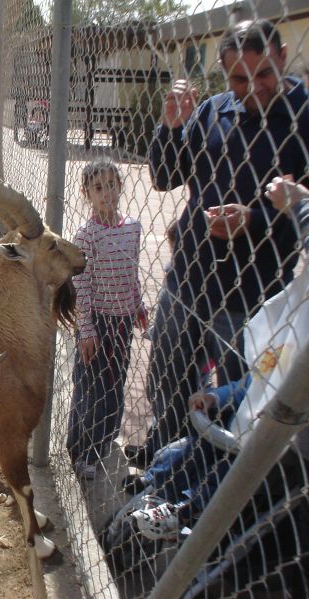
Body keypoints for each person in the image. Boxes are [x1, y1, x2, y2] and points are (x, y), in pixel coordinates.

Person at [131, 19, 309, 468]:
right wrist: (171, 127)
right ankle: (163, 461)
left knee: (235, 392)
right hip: (188, 278)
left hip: (252, 292)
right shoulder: (214, 110)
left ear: (282, 57)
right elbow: (165, 177)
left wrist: (254, 219)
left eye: (264, 73)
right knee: (168, 378)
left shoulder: (303, 118)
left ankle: (212, 480)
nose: (252, 88)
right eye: (238, 79)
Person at [127, 178, 309, 540]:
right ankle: (158, 485)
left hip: (271, 445)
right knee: (186, 448)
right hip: (240, 418)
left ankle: (188, 510)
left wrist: (290, 207)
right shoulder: (285, 344)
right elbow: (250, 382)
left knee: (230, 472)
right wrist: (216, 395)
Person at [67, 159, 148, 479]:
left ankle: (105, 437)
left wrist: (138, 304)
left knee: (116, 380)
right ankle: (82, 450)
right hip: (97, 321)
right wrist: (86, 330)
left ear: (120, 187)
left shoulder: (133, 227)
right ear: (86, 193)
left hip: (122, 321)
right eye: (98, 188)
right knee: (90, 387)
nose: (106, 194)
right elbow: (81, 287)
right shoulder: (86, 235)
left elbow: (132, 271)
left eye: (111, 186)